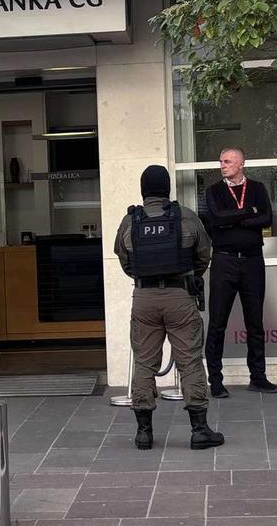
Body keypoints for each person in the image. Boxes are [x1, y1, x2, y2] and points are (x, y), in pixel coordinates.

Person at [114, 165, 225, 451]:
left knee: (144, 362)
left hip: (144, 299)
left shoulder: (130, 221)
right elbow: (204, 254)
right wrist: (188, 276)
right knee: (190, 362)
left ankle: (143, 432)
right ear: (167, 189)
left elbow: (124, 260)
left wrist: (144, 278)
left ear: (143, 190)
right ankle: (199, 430)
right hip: (180, 297)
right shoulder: (185, 216)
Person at [200, 147, 277, 396]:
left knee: (255, 322)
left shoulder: (257, 188)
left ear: (241, 164)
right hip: (225, 261)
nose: (222, 165)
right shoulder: (213, 191)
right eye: (221, 161)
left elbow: (267, 218)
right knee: (218, 322)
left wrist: (233, 219)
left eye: (228, 161)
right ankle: (216, 380)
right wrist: (247, 212)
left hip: (252, 261)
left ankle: (258, 377)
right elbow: (216, 219)